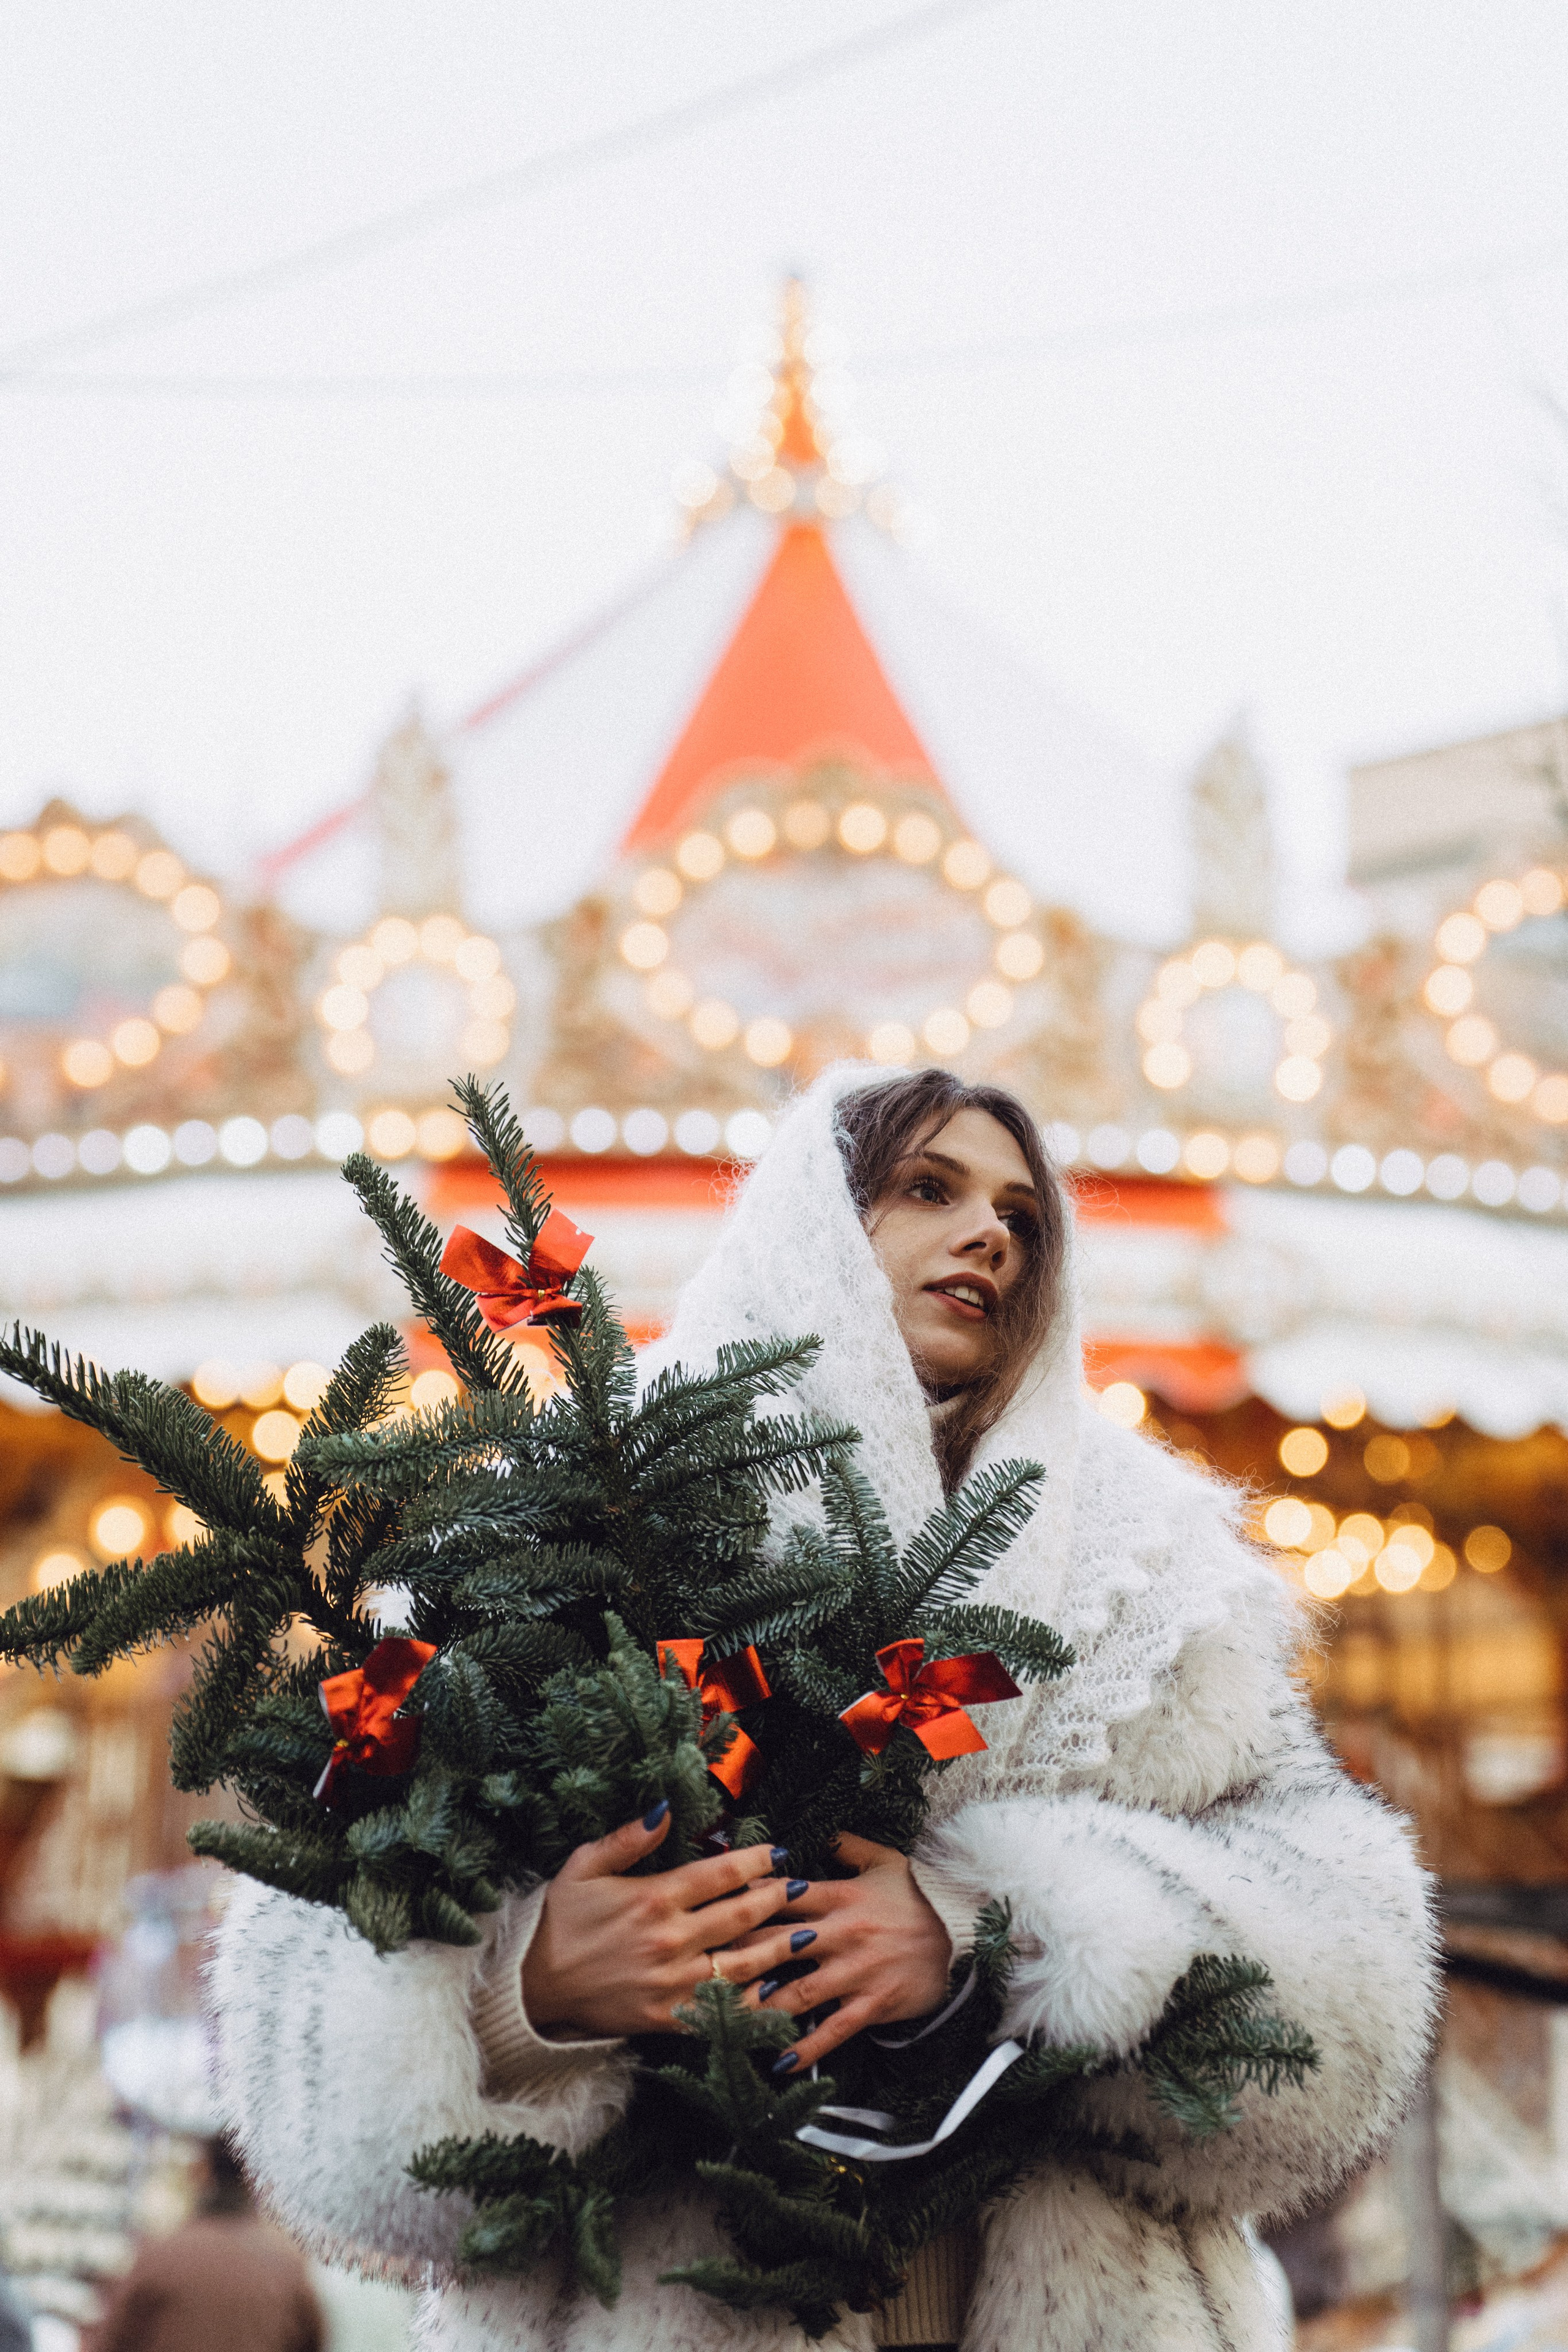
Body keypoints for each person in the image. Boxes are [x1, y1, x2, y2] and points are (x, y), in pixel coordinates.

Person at [211, 1064, 1436, 2352]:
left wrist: (1008, 1936)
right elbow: (319, 2006)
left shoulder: (1162, 1578)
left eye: (1022, 1216)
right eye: (928, 1188)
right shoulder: (580, 1502)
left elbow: (1344, 1972)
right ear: (813, 1220)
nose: (988, 1236)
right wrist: (535, 1989)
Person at [81, 2136, 323, 2352]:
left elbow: (109, 2342)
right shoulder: (287, 2270)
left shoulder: (161, 2257)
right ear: (258, 2181)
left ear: (201, 2172)